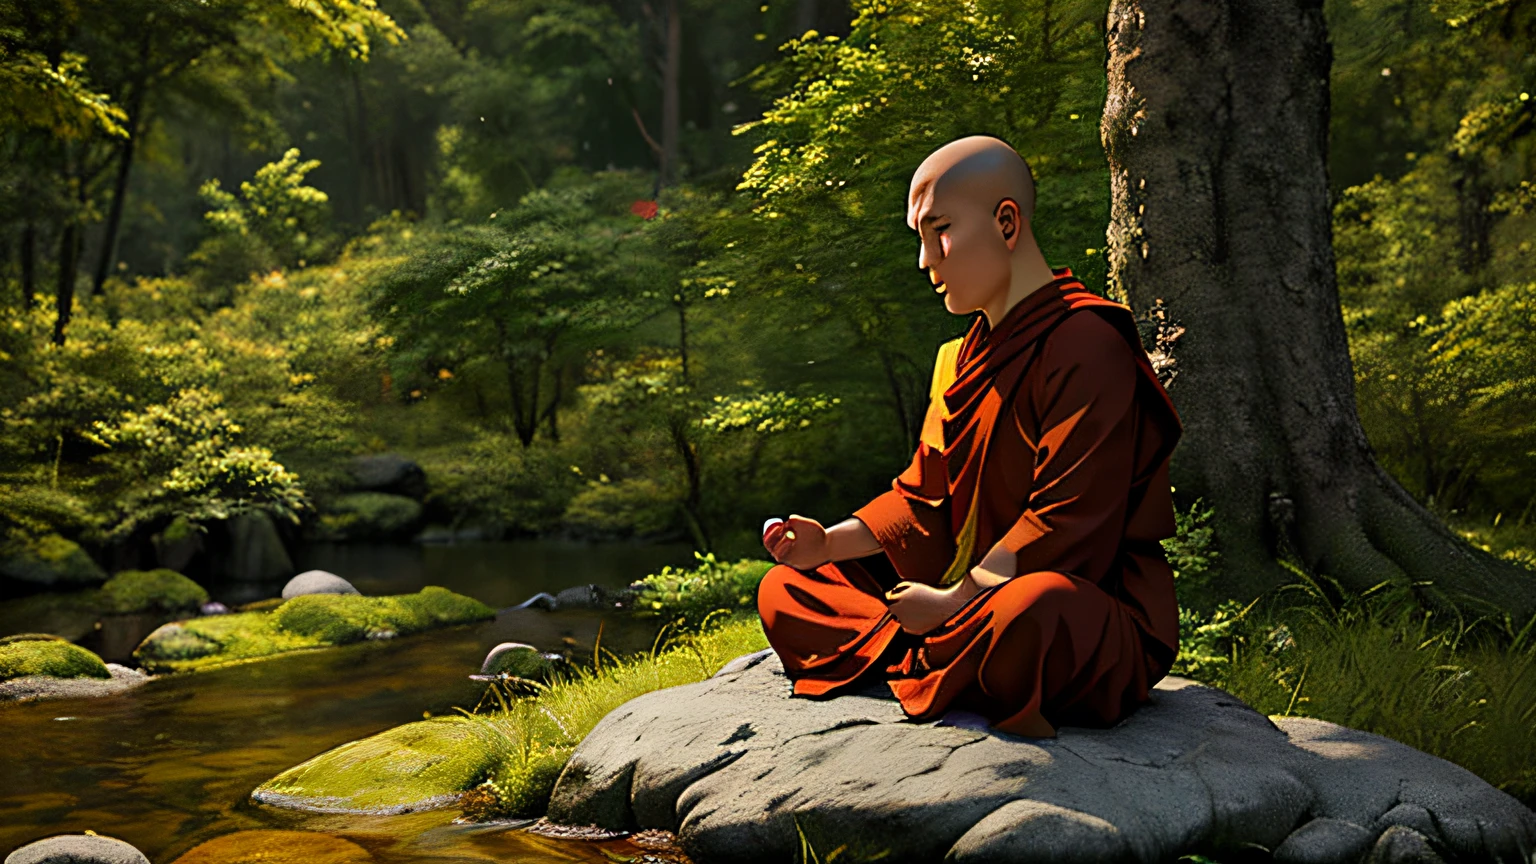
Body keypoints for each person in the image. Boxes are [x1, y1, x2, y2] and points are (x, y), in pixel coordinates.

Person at [756, 135, 1184, 737]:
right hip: (962, 593)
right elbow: (921, 498)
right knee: (786, 588)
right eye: (919, 239)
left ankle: (925, 648)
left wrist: (959, 600)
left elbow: (1068, 523)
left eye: (941, 232)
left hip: (1066, 599)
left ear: (1006, 222)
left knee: (1031, 613)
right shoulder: (956, 358)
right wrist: (826, 544)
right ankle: (938, 652)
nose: (926, 262)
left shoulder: (1088, 343)